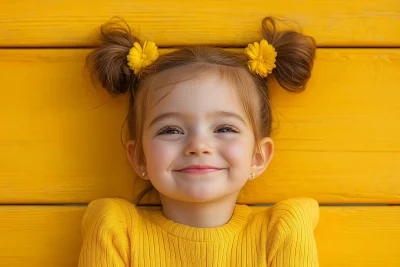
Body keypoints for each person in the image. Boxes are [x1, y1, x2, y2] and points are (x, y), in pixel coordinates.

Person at [78, 16, 319, 266]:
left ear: (258, 156)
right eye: (171, 130)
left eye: (225, 128)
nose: (198, 145)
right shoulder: (116, 229)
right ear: (140, 157)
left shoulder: (281, 231)